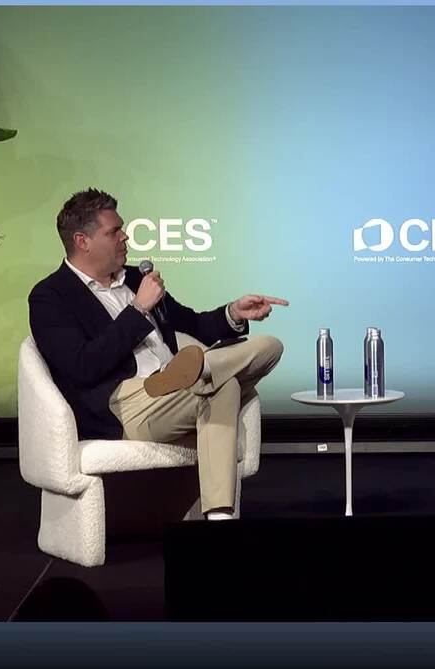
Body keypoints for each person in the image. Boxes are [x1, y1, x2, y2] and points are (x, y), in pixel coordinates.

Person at [28, 188, 287, 520]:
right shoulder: (51, 296)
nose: (125, 237)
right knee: (225, 384)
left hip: (179, 391)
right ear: (83, 241)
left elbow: (194, 323)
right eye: (114, 231)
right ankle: (196, 374)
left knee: (269, 347)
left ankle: (197, 374)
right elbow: (82, 366)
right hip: (125, 403)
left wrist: (233, 313)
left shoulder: (136, 277)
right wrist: (137, 310)